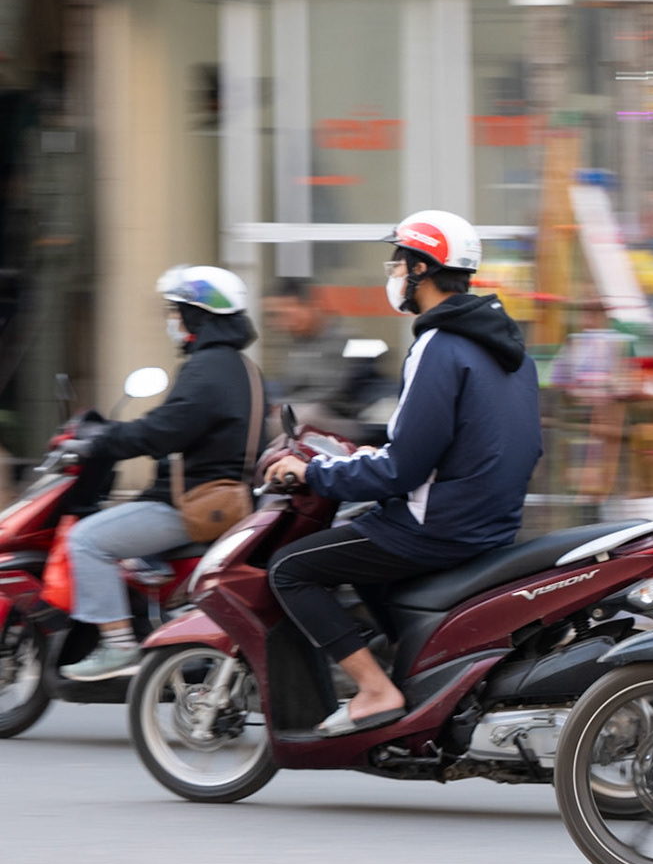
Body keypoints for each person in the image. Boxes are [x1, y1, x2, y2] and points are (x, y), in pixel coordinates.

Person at [264, 211, 541, 737]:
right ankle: (415, 672)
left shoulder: (439, 345)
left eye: (397, 263)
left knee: (290, 569)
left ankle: (375, 689)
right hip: (489, 522)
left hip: (437, 526)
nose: (392, 274)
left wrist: (313, 471)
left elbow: (401, 468)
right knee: (363, 541)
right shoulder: (508, 348)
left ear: (420, 269)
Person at [61, 266, 262, 682]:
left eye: (176, 311)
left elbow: (165, 430)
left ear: (197, 315)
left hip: (192, 504)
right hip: (222, 495)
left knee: (86, 539)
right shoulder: (243, 367)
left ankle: (118, 646)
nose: (172, 320)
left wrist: (101, 441)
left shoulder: (207, 368)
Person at [259, 277, 388, 431]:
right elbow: (288, 385)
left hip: (340, 418)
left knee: (291, 419)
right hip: (303, 411)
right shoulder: (295, 344)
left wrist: (285, 404)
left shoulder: (345, 341)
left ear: (309, 306)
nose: (279, 322)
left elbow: (333, 393)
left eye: (284, 313)